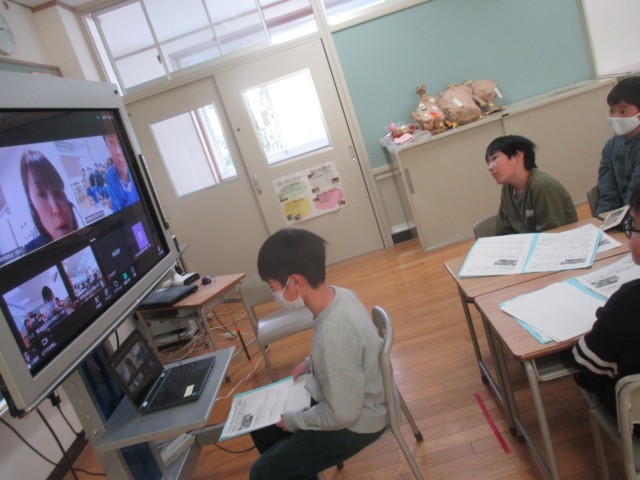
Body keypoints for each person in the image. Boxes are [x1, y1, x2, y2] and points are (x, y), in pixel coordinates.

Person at [249, 228, 388, 480]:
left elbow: (342, 414)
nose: (274, 295)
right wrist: (312, 362)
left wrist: (294, 421)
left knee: (262, 472)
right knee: (261, 428)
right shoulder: (341, 295)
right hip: (357, 396)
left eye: (273, 288)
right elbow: (349, 351)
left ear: (295, 283)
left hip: (359, 421)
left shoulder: (331, 334)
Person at [573, 184, 640, 422]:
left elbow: (588, 366)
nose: (629, 234)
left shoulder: (628, 302)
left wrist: (605, 318)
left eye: (633, 225)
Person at [485, 135, 578, 235]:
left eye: (494, 158)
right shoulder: (507, 189)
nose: (490, 167)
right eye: (488, 162)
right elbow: (503, 233)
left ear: (518, 155)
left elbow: (550, 235)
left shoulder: (542, 187)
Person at [595, 76, 640, 216]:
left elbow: (635, 197)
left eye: (623, 111)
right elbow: (607, 195)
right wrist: (602, 219)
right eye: (612, 110)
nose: (615, 117)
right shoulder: (610, 146)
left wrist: (626, 221)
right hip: (622, 217)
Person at [21, 150, 78, 252]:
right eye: (42, 195)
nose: (57, 210)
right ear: (33, 209)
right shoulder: (32, 252)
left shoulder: (87, 235)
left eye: (58, 193)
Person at [104, 134, 139, 212]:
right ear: (108, 148)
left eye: (121, 142)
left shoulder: (137, 166)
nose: (118, 151)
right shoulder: (111, 175)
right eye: (111, 142)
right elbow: (117, 210)